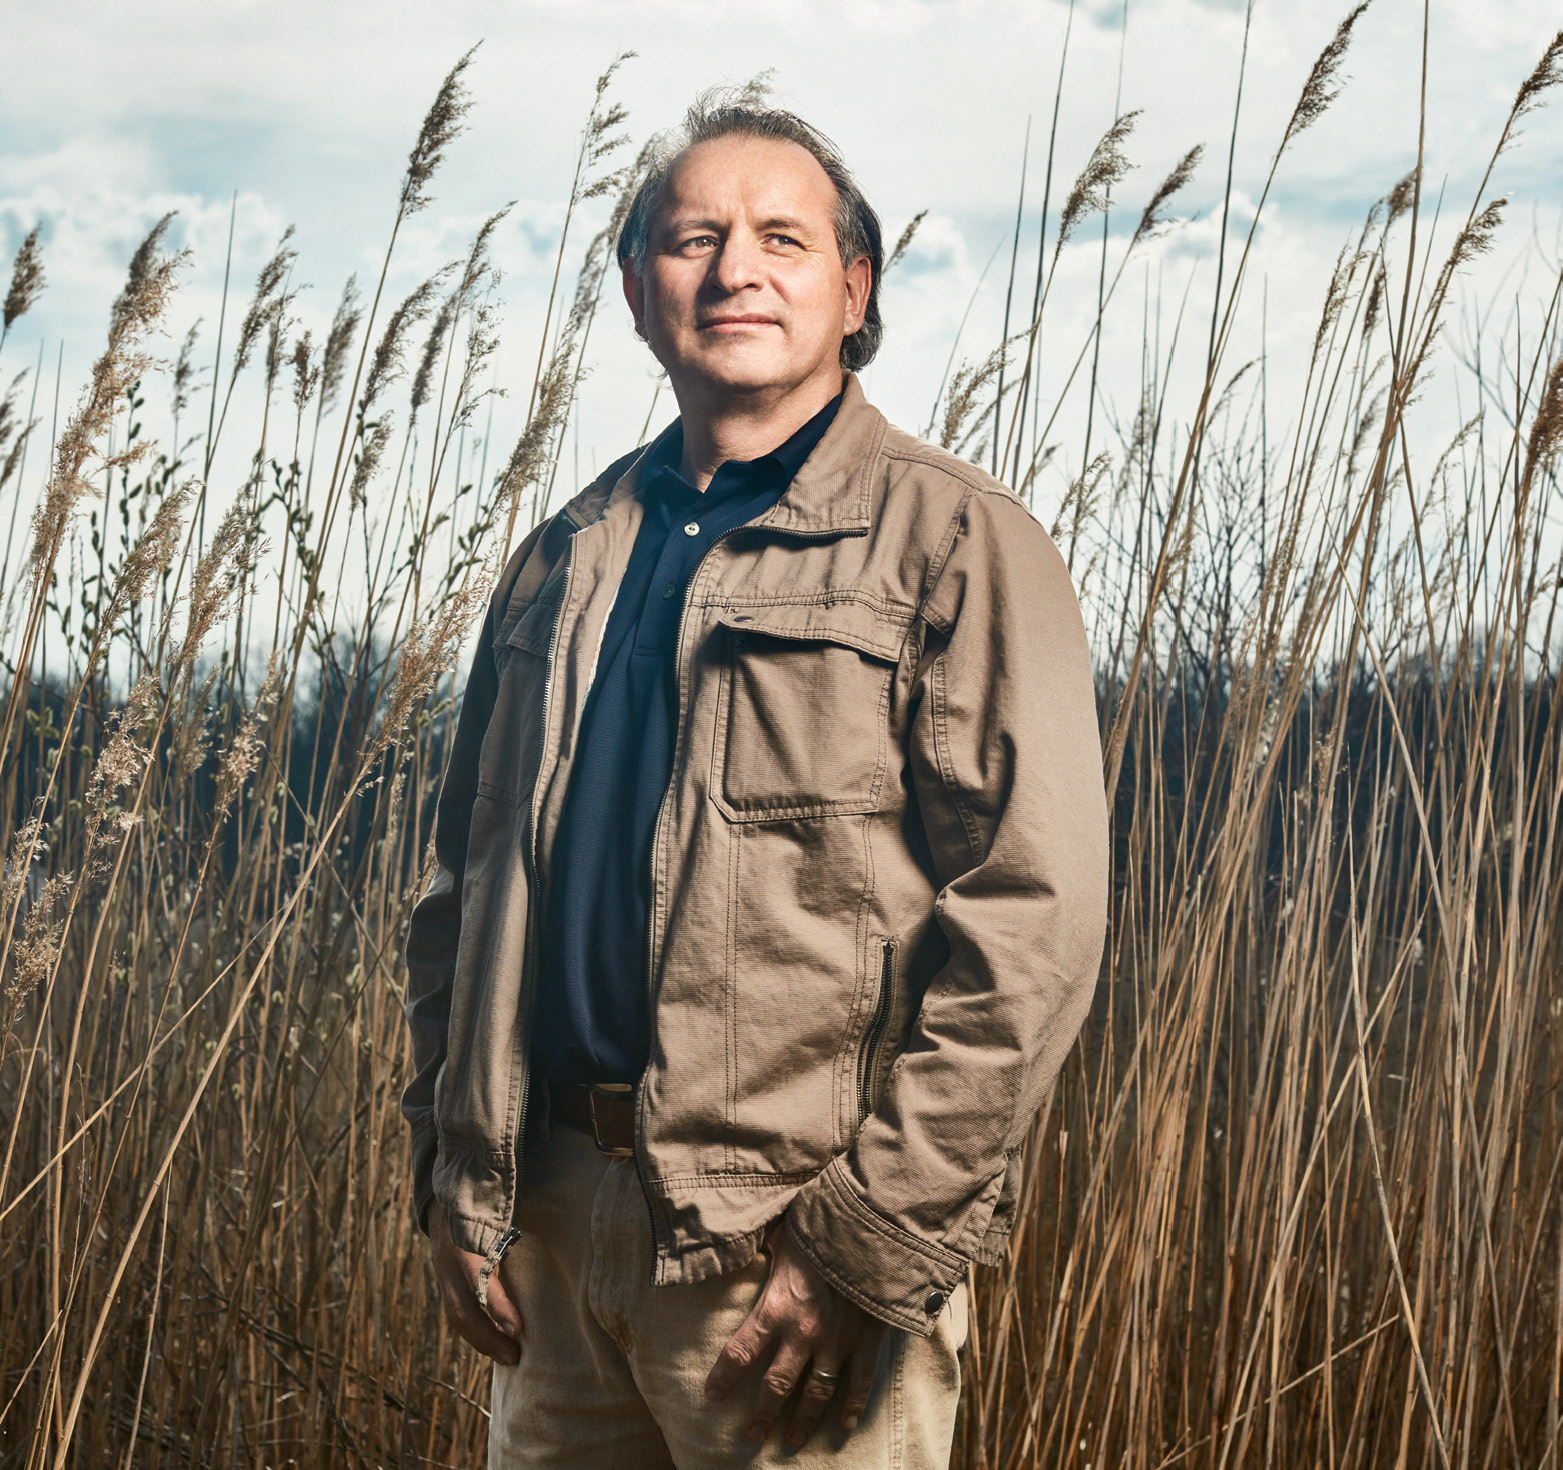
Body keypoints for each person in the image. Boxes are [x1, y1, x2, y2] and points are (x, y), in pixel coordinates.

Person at [401, 91, 1109, 1469]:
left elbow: (1034, 919)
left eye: (782, 237)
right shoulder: (563, 555)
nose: (735, 270)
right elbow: (466, 887)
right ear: (633, 290)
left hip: (778, 1250)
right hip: (551, 1226)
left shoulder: (954, 540)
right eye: (693, 237)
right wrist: (453, 1165)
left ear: (854, 288)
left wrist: (873, 1239)